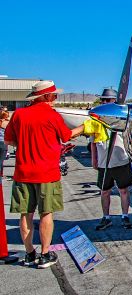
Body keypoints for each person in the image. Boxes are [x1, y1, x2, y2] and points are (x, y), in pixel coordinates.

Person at [5, 81, 84, 268]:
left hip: (22, 173)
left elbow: (9, 139)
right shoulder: (51, 115)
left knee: (26, 214)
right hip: (47, 173)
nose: (55, 99)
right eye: (54, 96)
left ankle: (30, 252)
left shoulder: (19, 114)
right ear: (46, 96)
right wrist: (85, 128)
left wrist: (26, 145)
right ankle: (45, 254)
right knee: (46, 213)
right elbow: (66, 136)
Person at [91, 89, 132, 230]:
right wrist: (94, 160)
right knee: (104, 191)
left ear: (114, 101)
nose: (104, 103)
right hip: (103, 163)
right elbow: (93, 142)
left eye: (107, 100)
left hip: (121, 161)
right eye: (102, 100)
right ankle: (106, 217)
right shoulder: (96, 120)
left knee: (123, 190)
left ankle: (125, 216)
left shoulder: (122, 119)